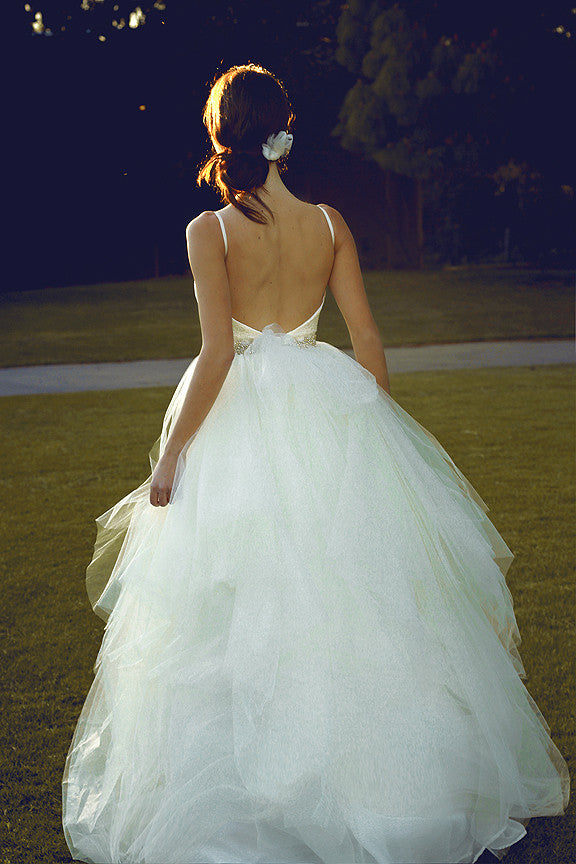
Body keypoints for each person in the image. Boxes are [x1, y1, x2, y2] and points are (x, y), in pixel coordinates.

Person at [62, 64, 569, 864]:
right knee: (350, 598)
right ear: (283, 130)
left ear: (221, 133)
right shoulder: (330, 224)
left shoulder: (210, 231)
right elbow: (368, 343)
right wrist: (366, 429)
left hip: (241, 425)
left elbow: (218, 352)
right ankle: (389, 785)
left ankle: (247, 792)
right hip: (324, 406)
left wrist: (173, 457)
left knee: (232, 604)